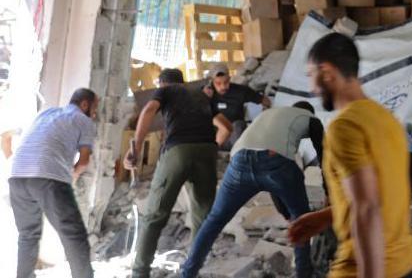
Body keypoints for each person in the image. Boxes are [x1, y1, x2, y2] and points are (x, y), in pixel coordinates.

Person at [288, 33, 412, 278]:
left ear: (327, 72)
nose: (312, 88)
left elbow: (367, 207)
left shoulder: (344, 126)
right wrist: (327, 216)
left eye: (311, 76)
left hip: (364, 268)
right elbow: (381, 193)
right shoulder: (386, 119)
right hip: (407, 264)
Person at [181, 101, 322, 278]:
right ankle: (304, 273)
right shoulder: (310, 118)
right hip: (275, 162)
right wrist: (330, 192)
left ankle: (187, 273)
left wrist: (284, 212)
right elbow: (325, 157)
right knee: (302, 219)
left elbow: (272, 182)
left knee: (214, 220)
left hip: (239, 161)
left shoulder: (269, 114)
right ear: (308, 112)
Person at [125, 68, 232, 278]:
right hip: (207, 152)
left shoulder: (166, 91)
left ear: (162, 83)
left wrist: (135, 149)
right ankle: (192, 271)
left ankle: (140, 272)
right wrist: (210, 148)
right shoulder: (201, 95)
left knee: (155, 216)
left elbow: (148, 110)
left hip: (178, 150)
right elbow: (226, 128)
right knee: (202, 216)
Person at [9, 88, 98, 278]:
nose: (95, 112)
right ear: (85, 104)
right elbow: (83, 162)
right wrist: (71, 176)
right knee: (74, 235)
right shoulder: (84, 120)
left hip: (17, 176)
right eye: (95, 107)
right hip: (49, 177)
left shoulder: (46, 113)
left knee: (28, 235)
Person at [202, 63, 271, 149]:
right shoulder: (206, 93)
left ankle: (235, 155)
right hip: (215, 136)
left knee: (238, 124)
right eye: (218, 83)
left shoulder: (240, 91)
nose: (223, 86)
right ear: (212, 81)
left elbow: (266, 101)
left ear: (230, 78)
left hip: (234, 136)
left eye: (226, 82)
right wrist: (204, 98)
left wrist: (265, 115)